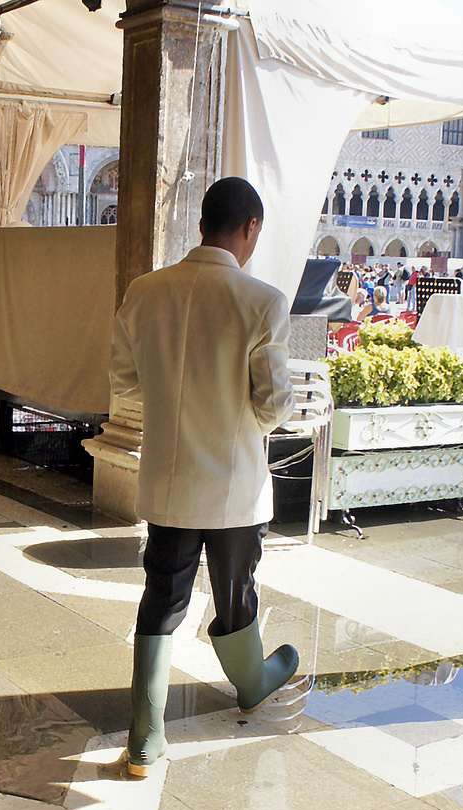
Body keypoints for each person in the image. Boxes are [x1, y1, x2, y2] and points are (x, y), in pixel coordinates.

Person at [110, 177, 299, 777]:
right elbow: (272, 405)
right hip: (235, 486)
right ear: (250, 228)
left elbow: (124, 379)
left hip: (168, 480)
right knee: (236, 590)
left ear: (200, 224)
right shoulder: (262, 301)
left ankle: (145, 736)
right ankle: (252, 682)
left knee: (162, 596)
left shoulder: (145, 291)